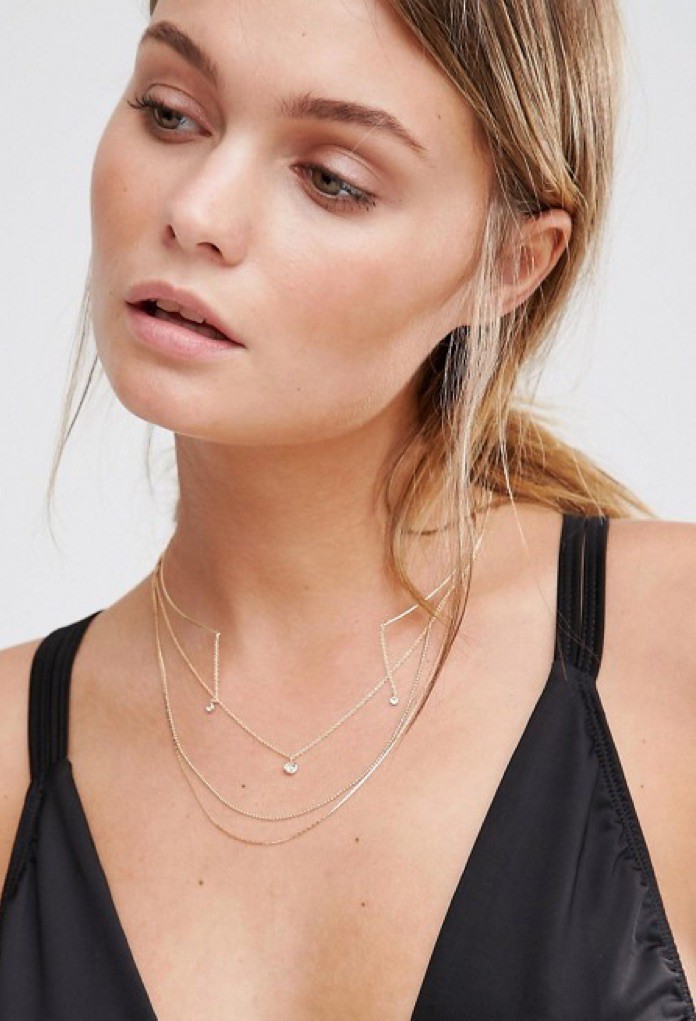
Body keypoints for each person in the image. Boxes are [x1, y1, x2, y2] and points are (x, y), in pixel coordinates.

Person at [0, 0, 694, 1017]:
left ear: (511, 263)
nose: (197, 210)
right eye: (170, 113)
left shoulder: (670, 657)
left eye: (331, 178)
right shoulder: (7, 754)